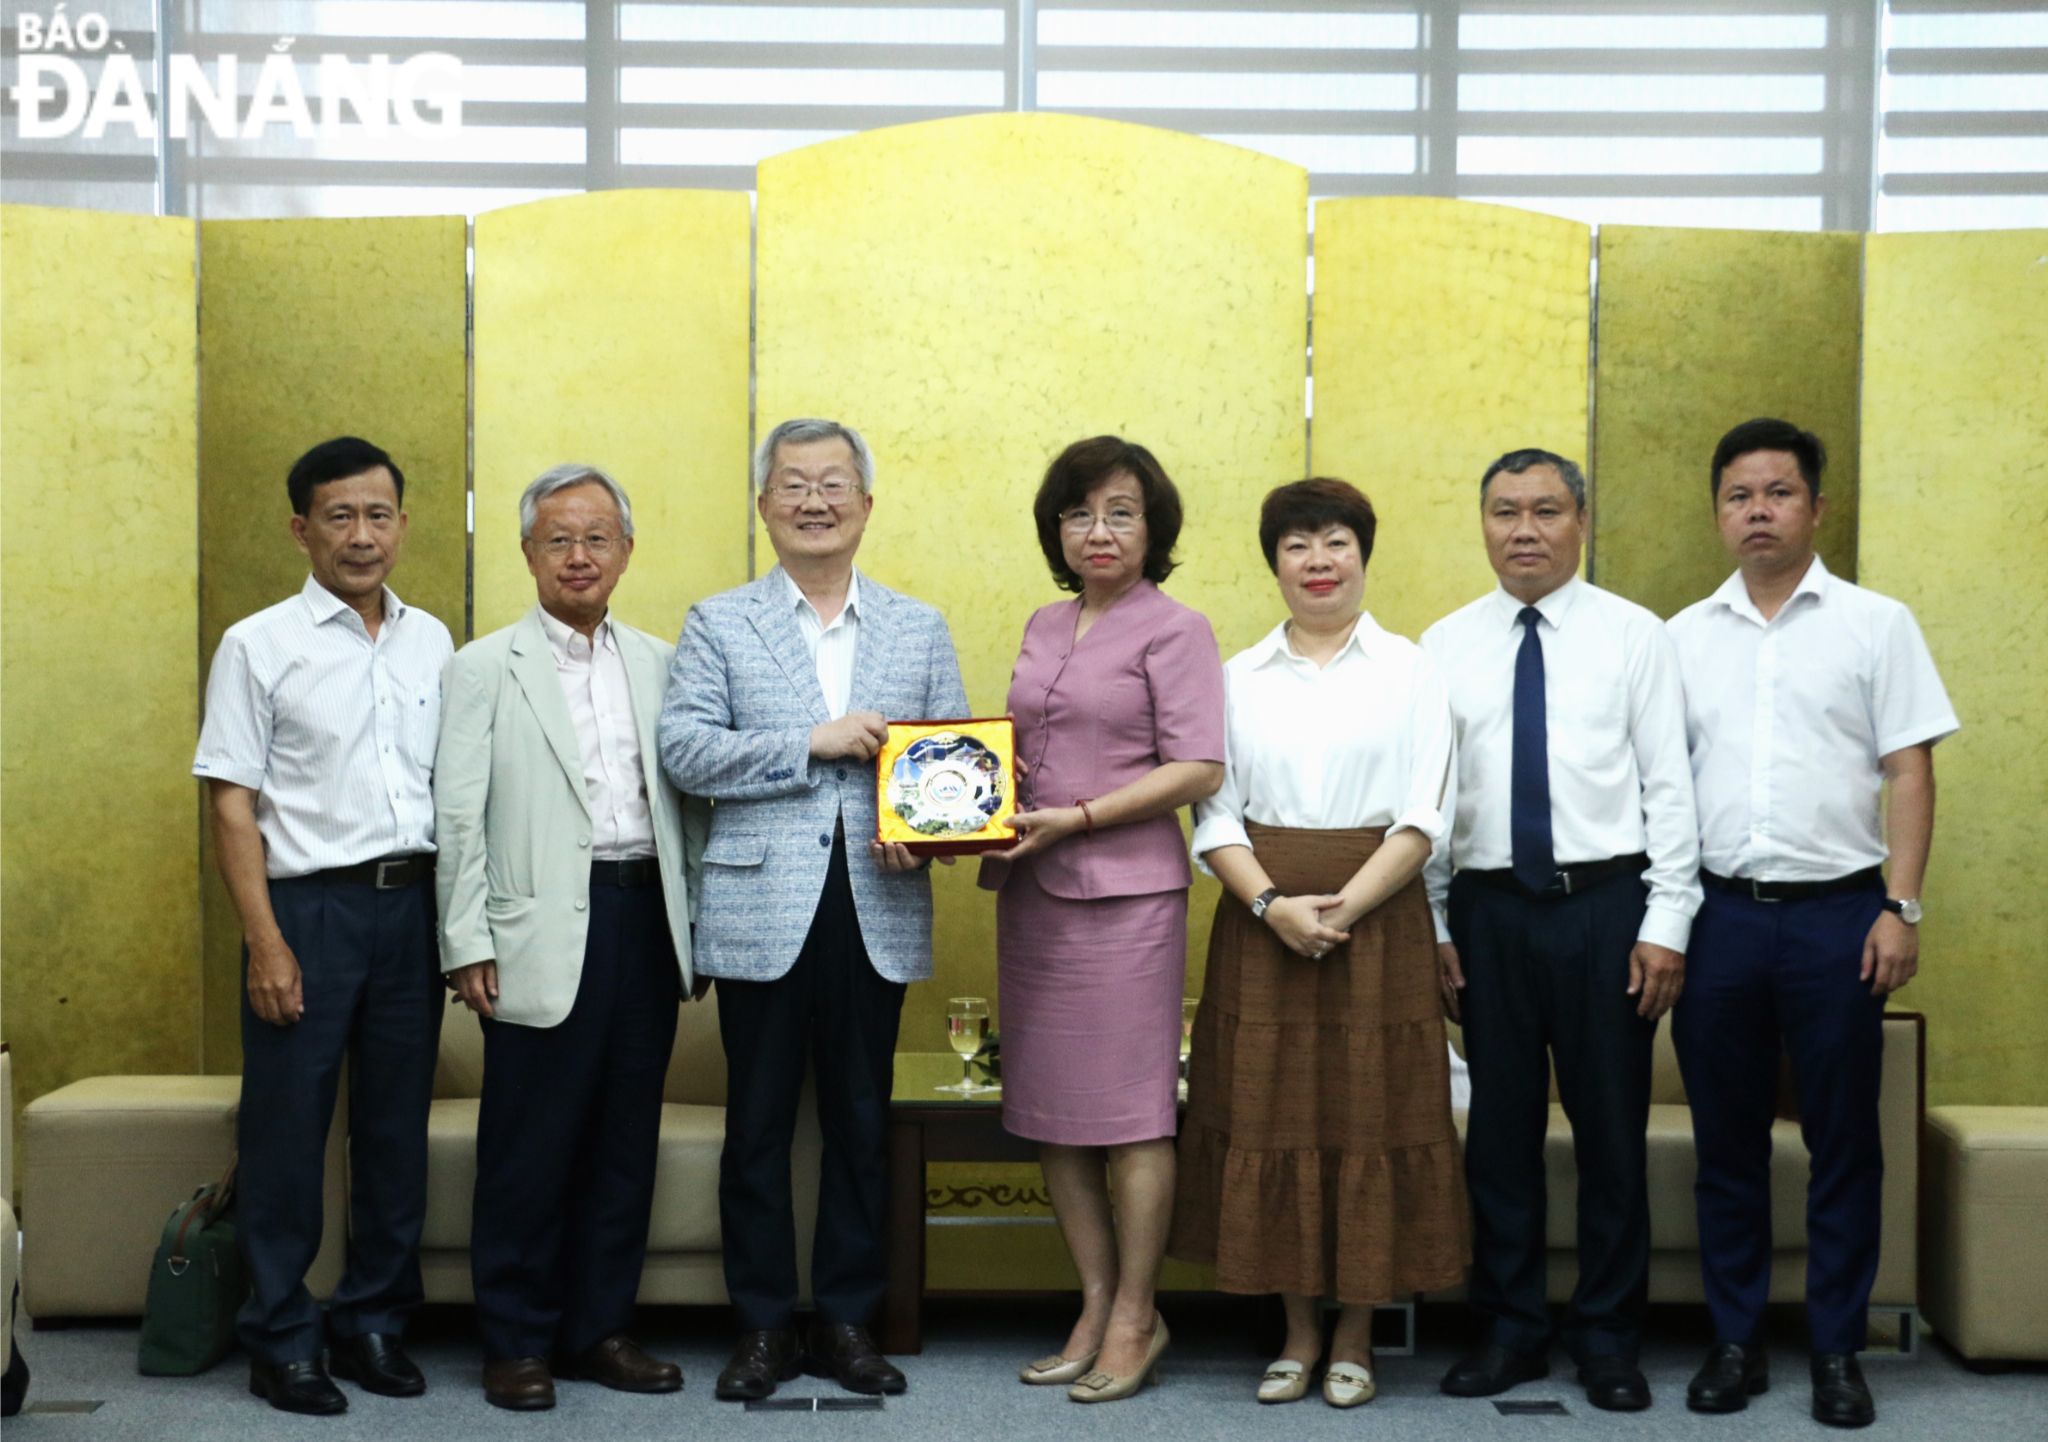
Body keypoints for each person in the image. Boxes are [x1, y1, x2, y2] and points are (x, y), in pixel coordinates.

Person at [658, 418, 968, 1402]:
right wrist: (814, 739)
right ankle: (758, 1325)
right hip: (759, 905)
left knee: (859, 1123)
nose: (813, 499)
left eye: (833, 483)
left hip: (875, 900)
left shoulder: (918, 626)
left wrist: (922, 830)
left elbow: (955, 771)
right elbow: (684, 750)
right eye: (792, 484)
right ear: (763, 506)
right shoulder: (718, 621)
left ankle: (843, 1318)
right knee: (755, 1127)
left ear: (866, 504)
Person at [1668, 419, 1957, 1429]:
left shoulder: (1876, 624)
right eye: (1738, 494)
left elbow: (1908, 770)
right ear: (1716, 513)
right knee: (1727, 1142)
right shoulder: (1679, 637)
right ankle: (1735, 1338)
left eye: (1777, 492)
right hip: (1717, 918)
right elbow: (1662, 787)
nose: (1757, 509)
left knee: (1842, 1140)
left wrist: (1899, 904)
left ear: (1815, 507)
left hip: (1841, 912)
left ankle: (1836, 1346)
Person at [1171, 479, 1467, 1408]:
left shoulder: (1413, 670)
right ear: (1275, 564)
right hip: (1264, 923)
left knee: (1369, 1121)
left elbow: (1426, 816)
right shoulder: (1233, 677)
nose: (1319, 562)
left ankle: (1356, 1334)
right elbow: (1213, 815)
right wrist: (1274, 909)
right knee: (1274, 1116)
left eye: (1336, 542)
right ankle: (1297, 1332)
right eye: (1297, 546)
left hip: (1378, 919)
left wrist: (1342, 908)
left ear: (1363, 555)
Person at [1421, 448, 1699, 1413]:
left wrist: (1667, 925)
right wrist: (1435, 922)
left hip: (1606, 909)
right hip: (1487, 913)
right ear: (1484, 525)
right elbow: (1429, 801)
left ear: (1581, 521)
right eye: (1505, 512)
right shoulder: (1443, 644)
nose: (1524, 530)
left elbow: (1670, 789)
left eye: (1545, 510)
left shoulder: (1635, 636)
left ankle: (1610, 1337)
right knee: (1498, 1134)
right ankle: (1509, 1330)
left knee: (1611, 1131)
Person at [434, 464, 710, 1411]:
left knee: (622, 1142)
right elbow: (458, 816)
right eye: (559, 539)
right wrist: (465, 939)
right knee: (528, 1144)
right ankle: (514, 1340)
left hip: (643, 919)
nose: (579, 556)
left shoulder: (663, 660)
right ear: (528, 553)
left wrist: (696, 926)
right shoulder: (481, 668)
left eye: (598, 537)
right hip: (535, 931)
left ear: (626, 552)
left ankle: (601, 1328)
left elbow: (689, 811)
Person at [193, 437, 453, 1416]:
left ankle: (374, 1319)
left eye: (378, 513)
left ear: (401, 522)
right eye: (339, 515)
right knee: (287, 1131)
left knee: (393, 1130)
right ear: (302, 527)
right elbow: (230, 804)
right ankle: (282, 1333)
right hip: (306, 907)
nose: (361, 533)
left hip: (412, 905)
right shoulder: (258, 644)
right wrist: (265, 939)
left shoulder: (432, 641)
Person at [979, 436, 1225, 1403]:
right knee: (1053, 1117)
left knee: (1130, 1119)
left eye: (1121, 512)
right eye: (1079, 514)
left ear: (1153, 526)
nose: (1099, 531)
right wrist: (957, 814)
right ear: (1057, 531)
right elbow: (1023, 753)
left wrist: (1078, 816)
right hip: (1034, 894)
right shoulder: (1046, 622)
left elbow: (1198, 767)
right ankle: (1093, 1300)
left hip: (1127, 900)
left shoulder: (1178, 629)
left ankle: (1136, 1311)